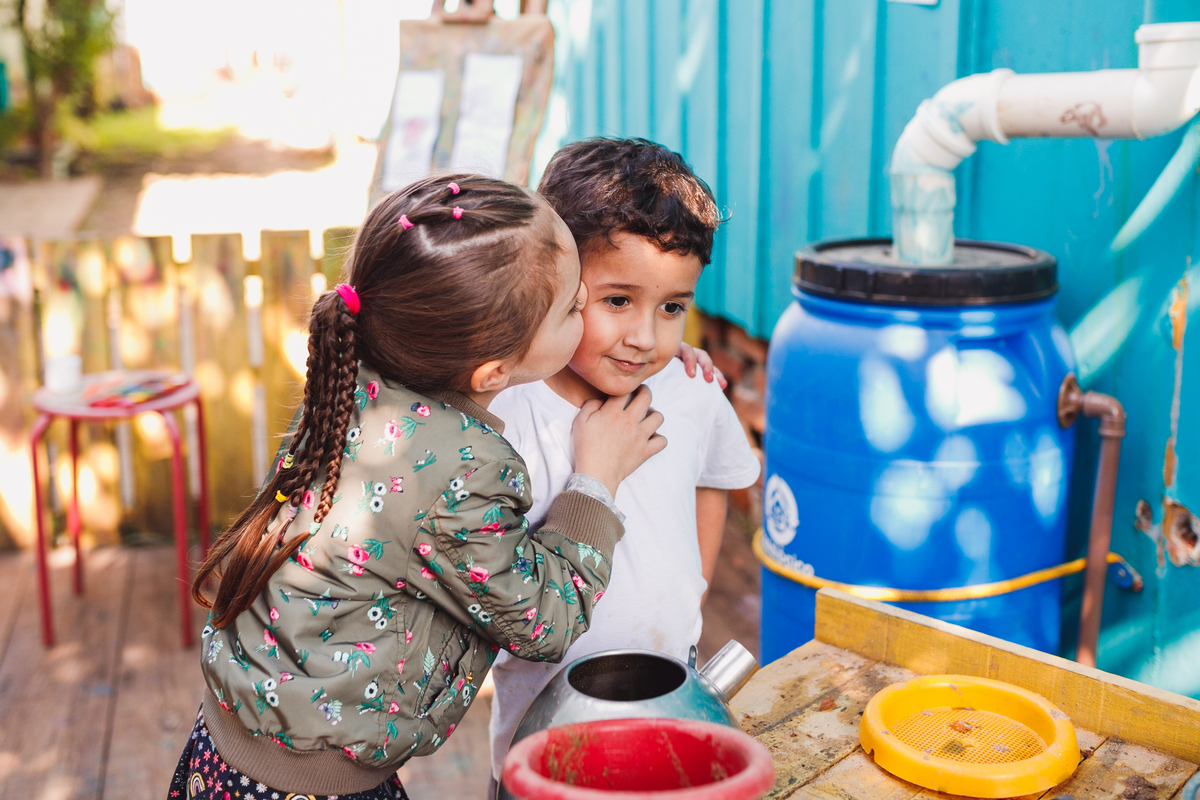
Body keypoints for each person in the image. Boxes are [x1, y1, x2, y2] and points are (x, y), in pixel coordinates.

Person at [169, 174, 668, 800]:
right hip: (315, 787)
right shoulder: (464, 472)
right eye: (574, 306)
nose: (588, 304)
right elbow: (545, 622)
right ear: (494, 370)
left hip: (226, 750)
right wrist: (594, 483)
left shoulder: (348, 374)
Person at [486, 138, 762, 792]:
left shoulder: (692, 396)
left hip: (669, 682)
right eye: (618, 301)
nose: (646, 337)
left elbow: (713, 482)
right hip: (541, 719)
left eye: (671, 308)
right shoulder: (510, 412)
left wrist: (691, 586)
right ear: (556, 282)